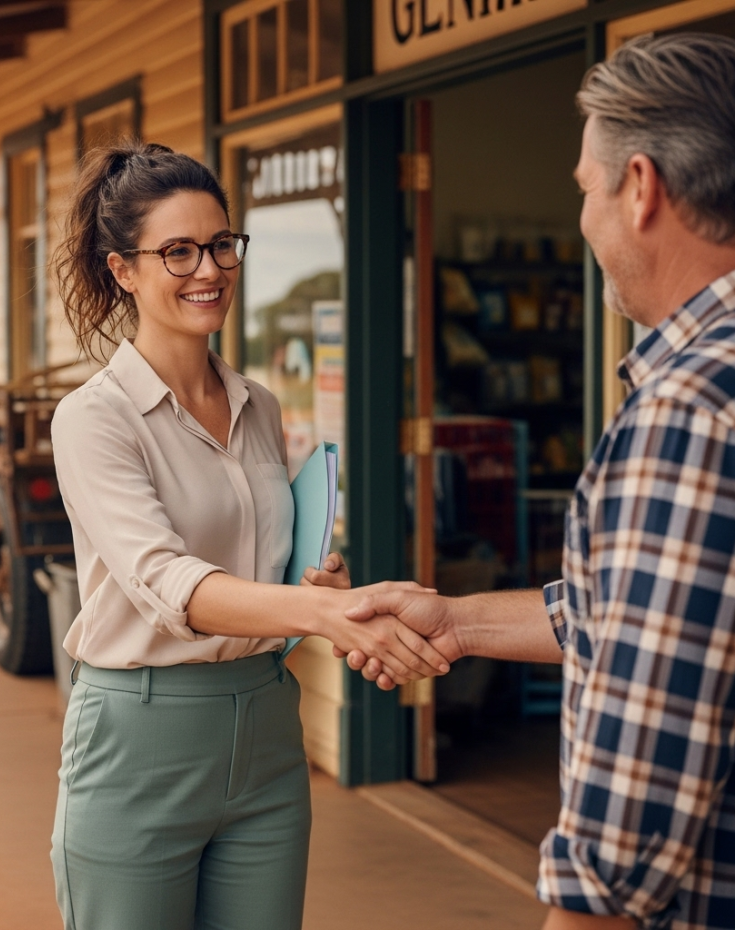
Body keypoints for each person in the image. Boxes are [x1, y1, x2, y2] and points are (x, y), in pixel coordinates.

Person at [338, 32, 735, 930]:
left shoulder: (688, 413)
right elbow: (647, 614)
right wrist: (457, 620)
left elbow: (630, 821)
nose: (585, 221)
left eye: (587, 192)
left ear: (641, 189)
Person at [47, 140, 449, 930]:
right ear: (123, 269)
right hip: (139, 741)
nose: (210, 269)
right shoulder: (94, 418)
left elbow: (262, 562)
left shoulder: (258, 405)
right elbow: (168, 583)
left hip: (267, 734)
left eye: (222, 244)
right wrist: (323, 617)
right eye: (179, 251)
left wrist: (320, 589)